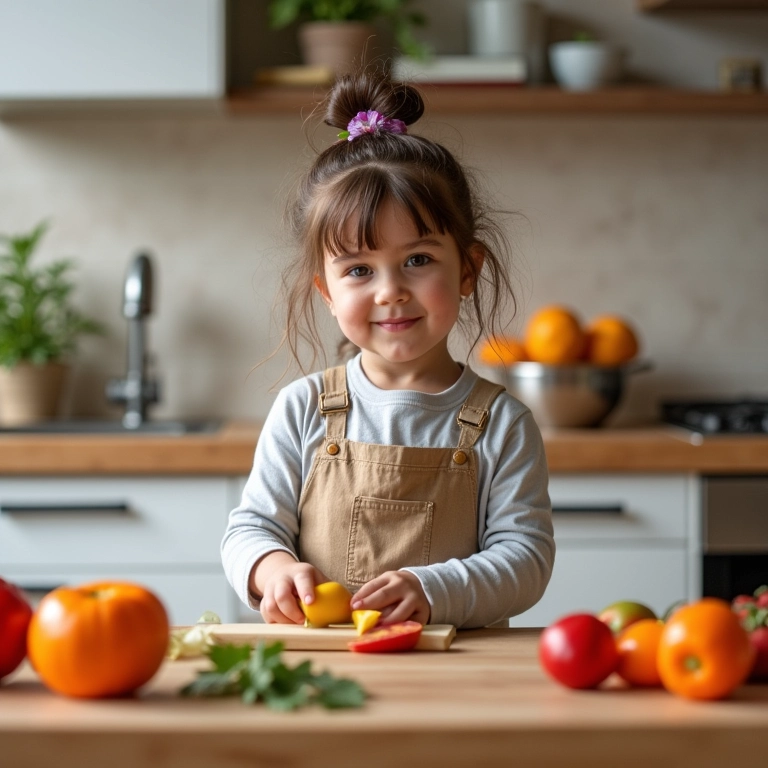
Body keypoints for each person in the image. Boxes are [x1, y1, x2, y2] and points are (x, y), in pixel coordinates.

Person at [221, 68, 555, 630]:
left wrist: (435, 589)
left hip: (453, 670)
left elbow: (526, 560)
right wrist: (271, 569)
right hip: (323, 669)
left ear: (467, 270)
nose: (390, 291)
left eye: (418, 260)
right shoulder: (302, 409)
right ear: (327, 292)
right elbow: (250, 530)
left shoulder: (503, 425)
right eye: (358, 269)